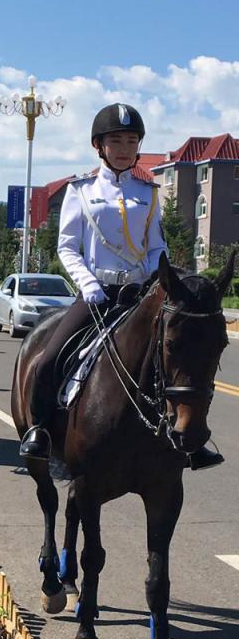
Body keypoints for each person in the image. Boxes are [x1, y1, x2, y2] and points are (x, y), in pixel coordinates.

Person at [19, 102, 222, 471]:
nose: (125, 148)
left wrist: (154, 276)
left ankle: (191, 442)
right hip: (96, 295)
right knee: (48, 361)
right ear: (99, 146)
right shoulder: (80, 192)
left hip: (140, 294)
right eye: (117, 141)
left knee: (182, 357)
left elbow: (157, 246)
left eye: (132, 140)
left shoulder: (149, 193)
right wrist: (87, 283)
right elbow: (67, 247)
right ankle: (40, 431)